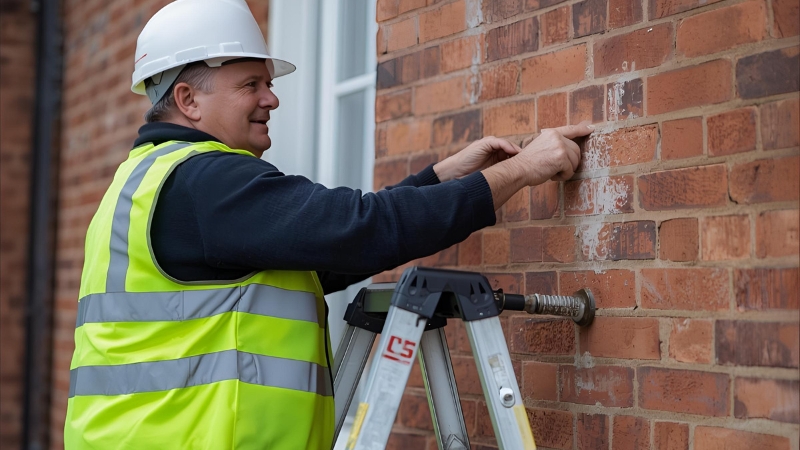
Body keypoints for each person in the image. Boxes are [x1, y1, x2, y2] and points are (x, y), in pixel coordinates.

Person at [63, 0, 592, 448]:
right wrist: (522, 170)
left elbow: (318, 258)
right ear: (188, 100)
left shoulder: (149, 180)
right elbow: (357, 231)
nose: (271, 98)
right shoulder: (207, 181)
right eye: (251, 84)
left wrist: (438, 177)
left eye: (268, 83)